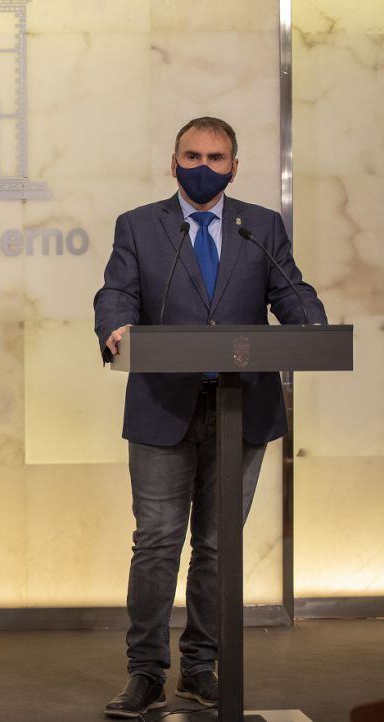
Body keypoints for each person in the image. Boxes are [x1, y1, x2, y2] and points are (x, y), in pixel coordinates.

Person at [93, 117, 326, 718]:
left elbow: (290, 289)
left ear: (234, 167)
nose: (203, 166)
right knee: (157, 543)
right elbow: (116, 292)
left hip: (241, 408)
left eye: (216, 158)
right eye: (192, 156)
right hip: (162, 407)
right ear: (173, 163)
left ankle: (201, 667)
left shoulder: (260, 226)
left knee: (219, 548)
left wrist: (313, 327)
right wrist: (114, 327)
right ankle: (146, 673)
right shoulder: (140, 225)